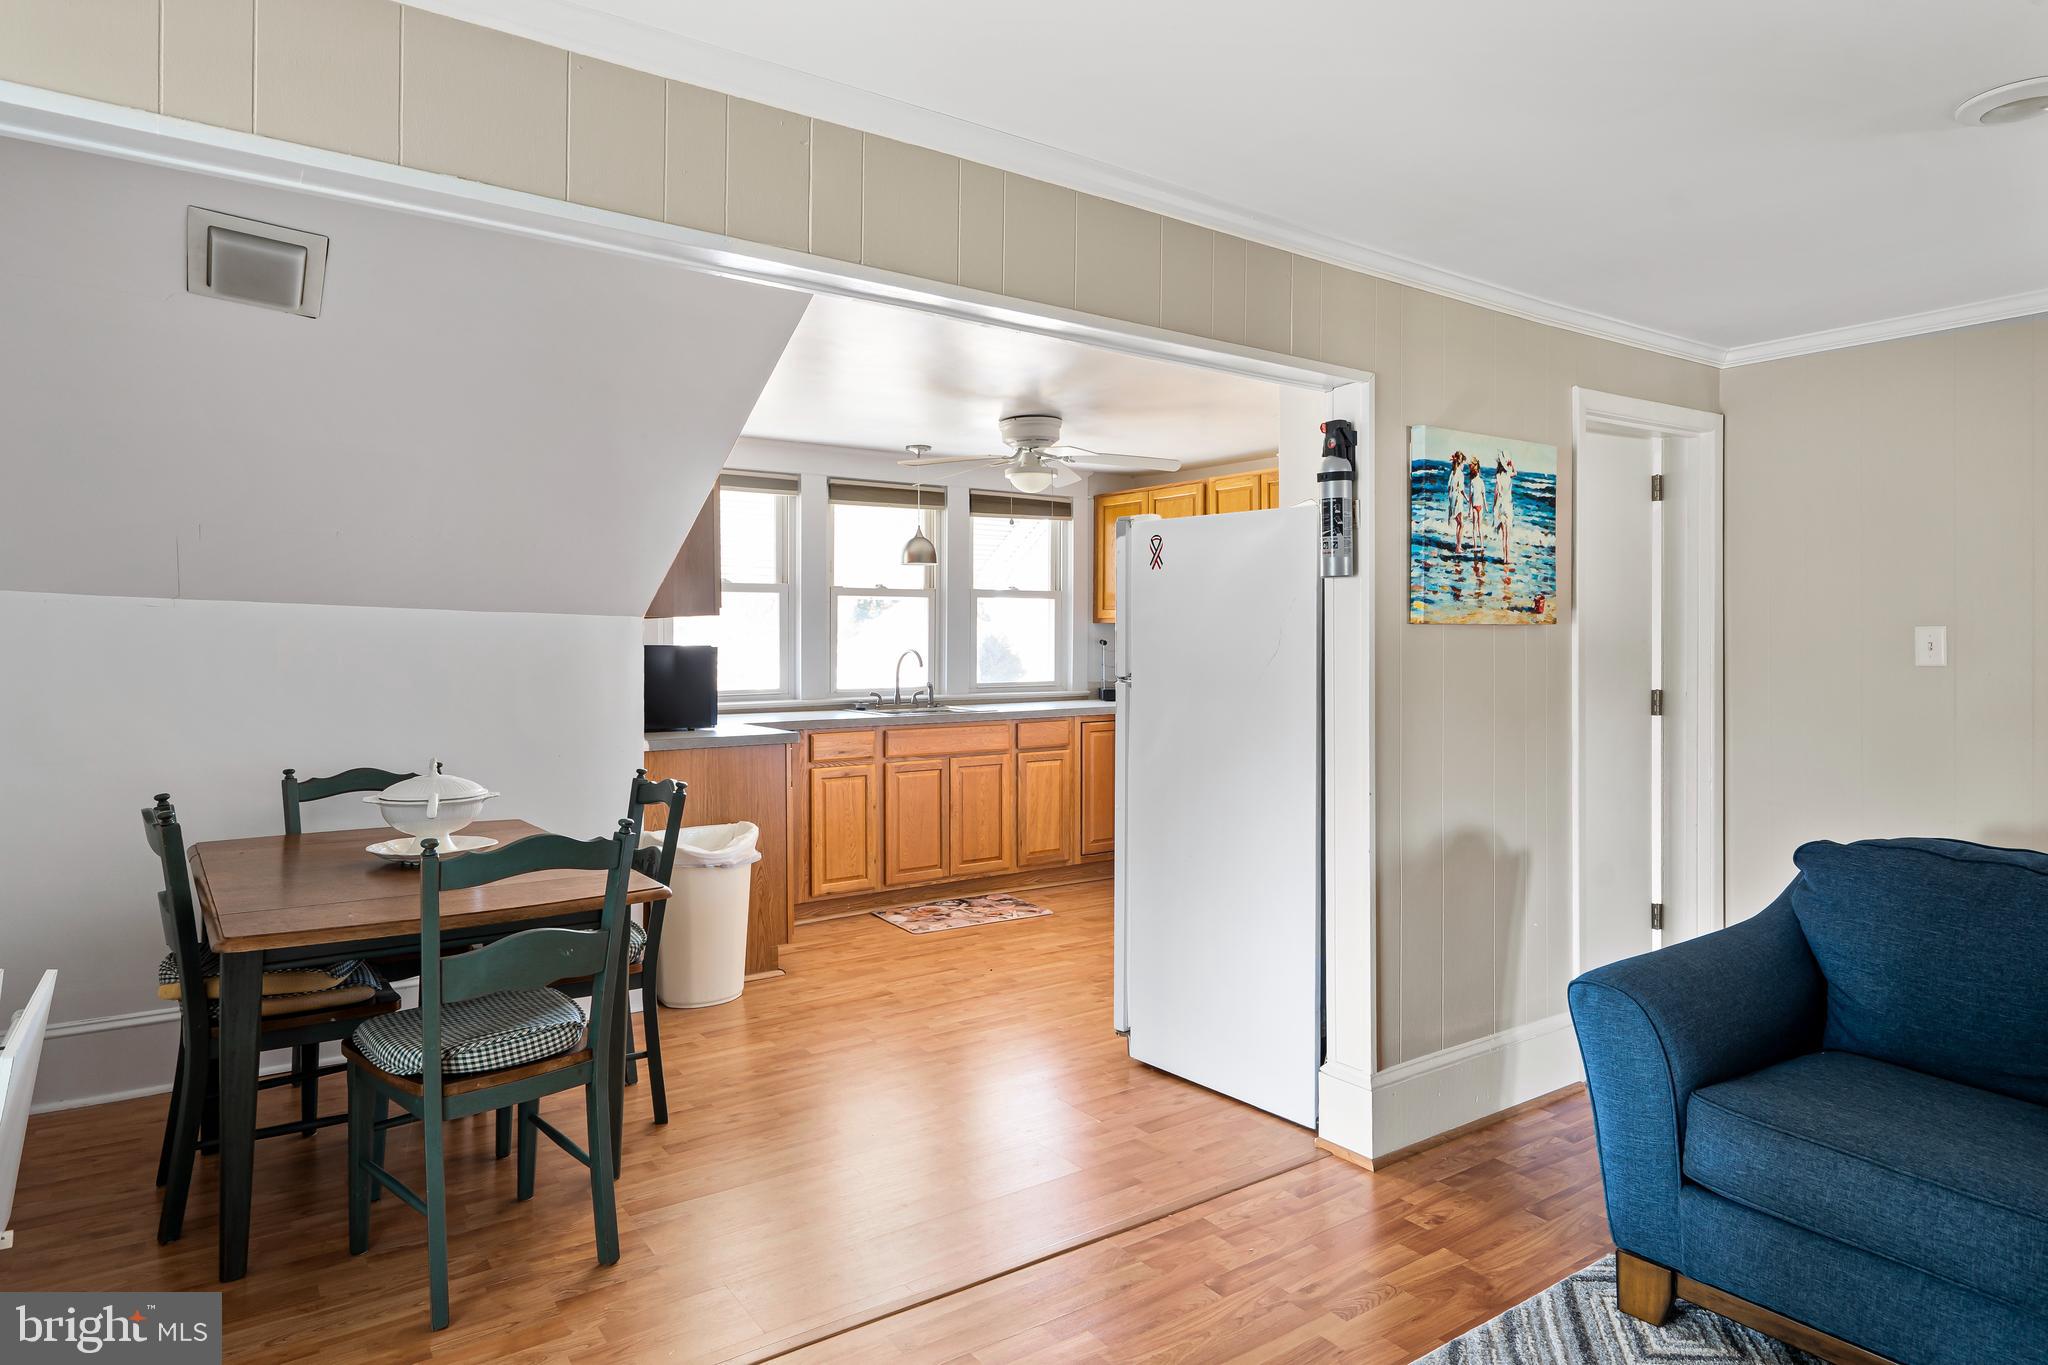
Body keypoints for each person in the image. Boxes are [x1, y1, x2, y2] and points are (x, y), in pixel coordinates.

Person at [1492, 453, 1517, 569]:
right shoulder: (1508, 474)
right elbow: (1516, 473)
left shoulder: (1498, 475)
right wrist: (1512, 464)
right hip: (1508, 506)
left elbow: (1496, 492)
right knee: (1507, 535)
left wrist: (1494, 507)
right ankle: (1507, 558)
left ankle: (1504, 558)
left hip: (1501, 506)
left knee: (1503, 535)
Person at [1446, 451, 1472, 552]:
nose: (1464, 466)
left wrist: (1451, 499)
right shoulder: (1460, 474)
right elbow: (1461, 489)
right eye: (1463, 464)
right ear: (1460, 463)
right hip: (1458, 500)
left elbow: (1449, 488)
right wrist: (1467, 499)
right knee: (1461, 524)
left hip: (1452, 500)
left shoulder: (1452, 473)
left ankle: (1458, 546)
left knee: (1458, 523)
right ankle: (1458, 547)